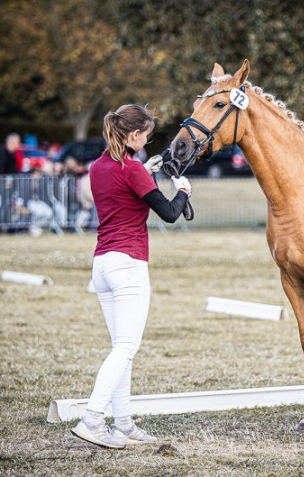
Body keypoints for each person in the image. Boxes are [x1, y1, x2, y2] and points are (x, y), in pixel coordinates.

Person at [71, 104, 192, 449]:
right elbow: (169, 213)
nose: (148, 141)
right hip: (128, 263)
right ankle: (92, 419)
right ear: (135, 135)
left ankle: (122, 423)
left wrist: (146, 170)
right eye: (147, 136)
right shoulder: (133, 168)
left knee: (121, 347)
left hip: (103, 263)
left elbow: (125, 195)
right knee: (126, 347)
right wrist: (184, 191)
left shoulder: (98, 166)